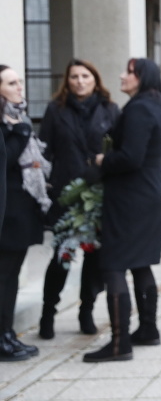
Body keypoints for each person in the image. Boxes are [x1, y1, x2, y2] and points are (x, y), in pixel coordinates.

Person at [83, 59, 161, 362]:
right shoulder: (158, 105)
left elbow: (130, 157)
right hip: (149, 191)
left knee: (114, 264)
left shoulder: (138, 109)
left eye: (129, 72)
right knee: (141, 262)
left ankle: (120, 343)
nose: (122, 75)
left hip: (131, 196)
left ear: (142, 77)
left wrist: (101, 161)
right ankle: (148, 329)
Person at [38, 59, 120, 339]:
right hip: (66, 193)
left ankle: (86, 310)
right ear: (67, 81)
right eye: (74, 76)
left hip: (98, 195)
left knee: (94, 259)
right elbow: (44, 151)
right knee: (62, 255)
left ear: (95, 80)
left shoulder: (110, 110)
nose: (79, 81)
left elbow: (117, 150)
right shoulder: (55, 109)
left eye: (85, 76)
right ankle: (48, 312)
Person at [0, 65, 46, 361]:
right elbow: (7, 158)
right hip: (7, 215)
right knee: (4, 277)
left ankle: (7, 333)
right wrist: (21, 131)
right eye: (12, 83)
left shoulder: (17, 117)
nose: (20, 87)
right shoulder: (11, 123)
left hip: (21, 211)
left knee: (11, 276)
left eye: (19, 82)